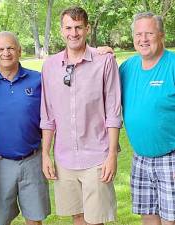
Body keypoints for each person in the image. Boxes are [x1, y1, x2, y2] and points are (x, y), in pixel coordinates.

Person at [40, 6, 122, 225]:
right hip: (64, 158)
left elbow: (113, 114)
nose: (73, 33)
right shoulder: (49, 67)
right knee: (78, 217)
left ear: (87, 28)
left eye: (78, 27)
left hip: (97, 157)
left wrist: (112, 155)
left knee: (96, 219)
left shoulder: (105, 61)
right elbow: (47, 116)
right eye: (68, 27)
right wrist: (46, 154)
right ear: (61, 30)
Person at [119, 12, 175, 225]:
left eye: (149, 33)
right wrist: (100, 54)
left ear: (161, 35)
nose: (143, 39)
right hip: (140, 159)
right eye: (138, 34)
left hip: (170, 158)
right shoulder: (127, 68)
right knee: (149, 217)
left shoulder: (172, 65)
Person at [0, 31, 51, 225]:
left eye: (10, 48)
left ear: (19, 50)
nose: (6, 53)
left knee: (34, 220)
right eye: (1, 49)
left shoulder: (38, 80)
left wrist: (98, 53)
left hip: (33, 159)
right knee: (1, 220)